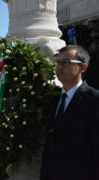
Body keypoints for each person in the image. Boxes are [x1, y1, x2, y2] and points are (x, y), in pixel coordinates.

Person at [40, 45, 99, 180]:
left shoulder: (94, 100)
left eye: (66, 63)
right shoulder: (53, 100)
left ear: (83, 67)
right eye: (58, 62)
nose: (59, 67)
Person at [84, 19, 99, 90]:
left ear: (95, 25)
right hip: (91, 67)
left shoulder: (96, 39)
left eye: (90, 24)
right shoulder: (91, 38)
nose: (88, 26)